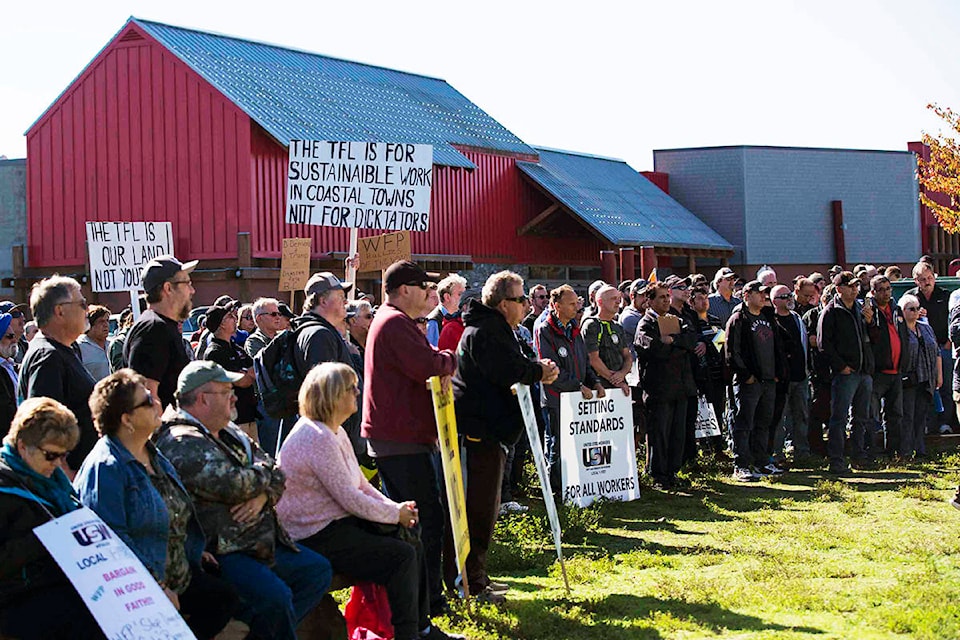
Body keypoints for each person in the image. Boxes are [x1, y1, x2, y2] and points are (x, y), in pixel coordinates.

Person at [277, 363, 464, 640]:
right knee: (400, 555)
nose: (357, 392)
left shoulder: (333, 431)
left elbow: (361, 484)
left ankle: (421, 627)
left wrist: (396, 510)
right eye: (350, 388)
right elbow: (350, 498)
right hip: (312, 535)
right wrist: (393, 514)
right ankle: (408, 634)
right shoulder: (315, 437)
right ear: (332, 395)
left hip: (334, 525)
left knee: (410, 534)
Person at [156, 360, 331, 640]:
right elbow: (235, 485)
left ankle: (254, 633)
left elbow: (277, 471)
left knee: (315, 571)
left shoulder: (228, 430)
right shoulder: (181, 440)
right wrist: (263, 480)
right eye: (227, 391)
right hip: (222, 551)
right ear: (202, 398)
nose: (234, 397)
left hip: (257, 541)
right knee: (277, 598)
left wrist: (262, 495)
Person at [75, 370, 238, 639]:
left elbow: (171, 510)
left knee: (228, 598)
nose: (157, 403)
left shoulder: (152, 453)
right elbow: (111, 545)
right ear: (126, 419)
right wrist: (154, 587)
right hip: (140, 591)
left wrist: (190, 547)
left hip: (180, 570)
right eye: (147, 401)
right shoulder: (106, 469)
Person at [453, 271, 558, 603]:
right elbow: (505, 371)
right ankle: (470, 582)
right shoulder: (485, 331)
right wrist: (538, 371)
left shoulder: (500, 329)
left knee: (487, 508)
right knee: (478, 510)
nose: (526, 303)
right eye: (520, 298)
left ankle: (478, 576)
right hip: (479, 433)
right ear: (502, 304)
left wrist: (535, 367)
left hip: (493, 433)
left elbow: (515, 363)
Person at [361, 260, 456, 615]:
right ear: (404, 290)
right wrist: (448, 359)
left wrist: (438, 360)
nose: (430, 294)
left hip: (401, 436)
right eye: (424, 287)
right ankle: (425, 602)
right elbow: (428, 365)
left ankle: (420, 599)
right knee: (423, 521)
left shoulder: (392, 320)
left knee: (416, 520)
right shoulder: (395, 322)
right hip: (401, 439)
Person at [0, 398, 104, 639]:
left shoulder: (54, 484)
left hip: (63, 587)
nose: (57, 464)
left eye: (63, 455)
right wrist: (44, 537)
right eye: (50, 455)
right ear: (23, 445)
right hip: (18, 600)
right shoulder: (6, 490)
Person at [20, 276, 97, 476]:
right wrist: (65, 478)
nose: (87, 310)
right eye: (82, 303)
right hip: (66, 481)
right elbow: (43, 428)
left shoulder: (63, 350)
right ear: (60, 310)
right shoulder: (47, 357)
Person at [535, 284, 605, 492]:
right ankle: (556, 490)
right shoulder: (545, 330)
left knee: (579, 443)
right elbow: (550, 368)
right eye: (572, 303)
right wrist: (578, 385)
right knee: (558, 444)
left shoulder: (575, 328)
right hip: (556, 398)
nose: (577, 307)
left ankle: (576, 485)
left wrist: (595, 382)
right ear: (557, 305)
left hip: (578, 398)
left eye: (577, 303)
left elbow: (584, 362)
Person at [635, 282, 697, 490]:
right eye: (661, 297)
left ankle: (672, 472)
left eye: (667, 296)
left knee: (677, 434)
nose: (666, 300)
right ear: (650, 300)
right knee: (659, 434)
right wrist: (675, 346)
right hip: (659, 390)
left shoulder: (677, 319)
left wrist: (672, 341)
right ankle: (658, 474)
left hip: (680, 387)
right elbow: (653, 349)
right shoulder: (646, 324)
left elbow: (690, 340)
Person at [295, 272, 363, 456]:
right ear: (323, 301)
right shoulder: (319, 335)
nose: (346, 302)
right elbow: (326, 396)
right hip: (331, 443)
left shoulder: (319, 332)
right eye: (341, 297)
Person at [726, 280, 785, 481]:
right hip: (749, 382)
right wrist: (746, 375)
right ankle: (741, 464)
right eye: (759, 293)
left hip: (769, 380)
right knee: (744, 423)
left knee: (764, 423)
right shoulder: (738, 319)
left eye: (765, 293)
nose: (764, 296)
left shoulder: (769, 317)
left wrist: (777, 373)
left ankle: (762, 461)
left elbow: (777, 347)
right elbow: (732, 352)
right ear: (746, 295)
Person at [818, 271, 875, 474]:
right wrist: (841, 366)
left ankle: (858, 456)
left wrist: (870, 322)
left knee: (861, 418)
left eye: (856, 286)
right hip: (845, 374)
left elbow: (872, 339)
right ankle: (837, 459)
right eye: (850, 286)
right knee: (839, 418)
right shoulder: (831, 311)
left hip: (863, 371)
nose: (855, 289)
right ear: (839, 288)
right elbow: (824, 344)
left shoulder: (860, 309)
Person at [124, 255, 197, 408]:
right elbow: (147, 396)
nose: (192, 290)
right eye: (187, 283)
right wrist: (164, 431)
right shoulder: (153, 329)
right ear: (168, 288)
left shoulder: (163, 326)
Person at [905, 260, 953, 434]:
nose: (927, 282)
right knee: (924, 387)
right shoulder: (910, 298)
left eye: (929, 278)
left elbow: (952, 320)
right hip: (920, 351)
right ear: (916, 281)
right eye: (923, 279)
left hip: (943, 346)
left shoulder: (945, 295)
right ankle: (925, 423)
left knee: (945, 385)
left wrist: (948, 343)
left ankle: (945, 423)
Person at [201, 304, 260, 444]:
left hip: (249, 414)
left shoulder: (236, 347)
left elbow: (255, 370)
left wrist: (246, 374)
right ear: (221, 324)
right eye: (229, 317)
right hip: (233, 419)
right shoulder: (215, 352)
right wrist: (246, 374)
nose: (235, 319)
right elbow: (241, 381)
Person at [866, 275, 906, 459]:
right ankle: (873, 453)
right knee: (872, 416)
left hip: (896, 371)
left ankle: (894, 453)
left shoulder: (896, 310)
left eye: (888, 288)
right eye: (881, 289)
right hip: (877, 372)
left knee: (895, 415)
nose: (885, 293)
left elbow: (903, 336)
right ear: (873, 292)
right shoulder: (868, 312)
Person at [769, 284, 810, 463]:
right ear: (774, 301)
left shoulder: (796, 319)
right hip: (781, 379)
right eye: (784, 297)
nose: (789, 299)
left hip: (800, 376)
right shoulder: (771, 320)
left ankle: (801, 451)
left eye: (789, 295)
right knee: (779, 417)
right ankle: (777, 453)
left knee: (801, 415)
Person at [903, 294, 941, 459]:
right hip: (908, 379)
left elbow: (937, 351)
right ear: (903, 311)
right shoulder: (900, 330)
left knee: (921, 415)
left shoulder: (925, 327)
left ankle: (920, 449)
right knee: (907, 415)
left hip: (926, 377)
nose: (916, 312)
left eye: (917, 308)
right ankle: (905, 450)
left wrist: (939, 375)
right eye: (911, 309)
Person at [581, 285, 632, 398]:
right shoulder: (591, 325)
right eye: (613, 299)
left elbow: (627, 356)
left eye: (619, 299)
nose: (618, 302)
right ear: (600, 302)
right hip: (599, 387)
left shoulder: (618, 326)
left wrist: (622, 373)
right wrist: (615, 380)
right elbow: (593, 359)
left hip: (621, 386)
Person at [425, 274, 466, 348]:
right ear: (447, 297)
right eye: (460, 294)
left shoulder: (461, 317)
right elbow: (430, 353)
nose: (464, 297)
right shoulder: (433, 322)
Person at [77, 304, 112, 382]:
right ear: (90, 325)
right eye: (101, 321)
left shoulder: (112, 345)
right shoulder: (79, 347)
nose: (106, 325)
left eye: (107, 320)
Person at [0, 314, 18, 440]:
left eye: (14, 336)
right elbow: (5, 411)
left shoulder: (11, 366)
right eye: (9, 336)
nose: (14, 340)